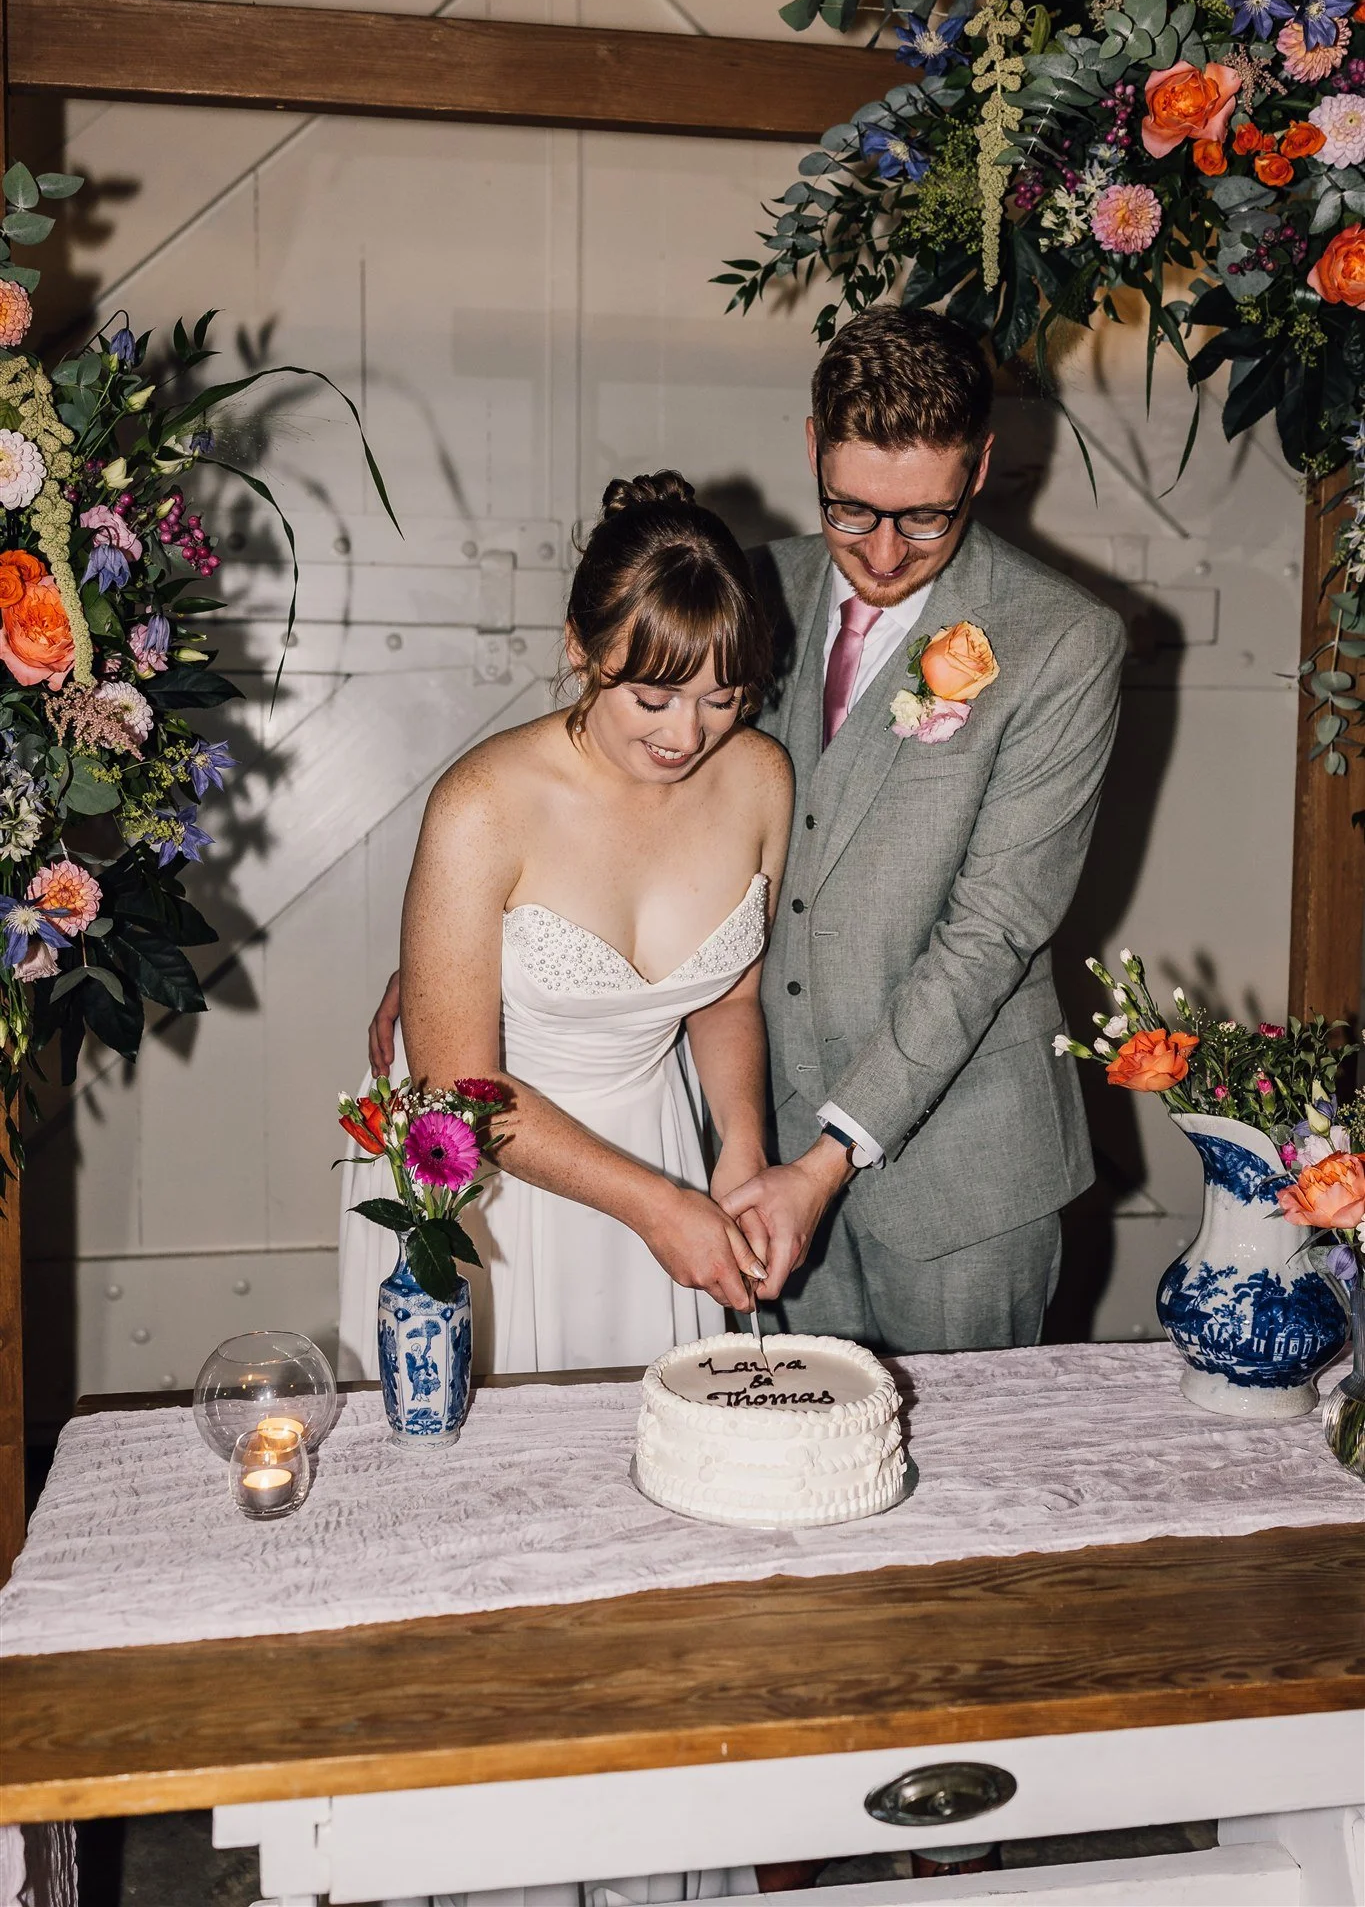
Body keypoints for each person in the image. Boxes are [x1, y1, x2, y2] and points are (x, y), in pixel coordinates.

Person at [367, 307, 1126, 1357]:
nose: (886, 551)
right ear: (812, 448)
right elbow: (596, 795)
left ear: (983, 466)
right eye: (852, 511)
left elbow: (991, 931)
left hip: (958, 1175)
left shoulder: (1065, 643)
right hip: (734, 1153)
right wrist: (455, 952)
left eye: (927, 519)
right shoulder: (738, 590)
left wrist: (819, 1159)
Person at [340, 472, 791, 1377]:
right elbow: (456, 1088)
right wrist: (658, 1207)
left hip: (655, 1134)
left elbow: (725, 998)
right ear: (580, 651)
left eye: (722, 696)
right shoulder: (482, 805)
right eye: (653, 697)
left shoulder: (760, 779)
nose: (687, 734)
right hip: (487, 1173)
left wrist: (737, 1153)